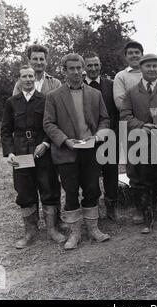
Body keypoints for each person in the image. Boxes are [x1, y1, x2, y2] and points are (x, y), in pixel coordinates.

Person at [43, 53, 111, 250]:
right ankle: (75, 233)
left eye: (78, 68)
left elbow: (104, 120)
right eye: (71, 69)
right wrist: (65, 140)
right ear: (64, 72)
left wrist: (97, 136)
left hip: (90, 151)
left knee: (92, 189)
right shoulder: (54, 96)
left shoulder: (94, 94)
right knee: (71, 192)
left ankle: (93, 228)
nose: (76, 72)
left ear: (83, 69)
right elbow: (48, 123)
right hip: (66, 152)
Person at [1, 65, 65, 249]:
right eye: (24, 77)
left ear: (34, 79)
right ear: (19, 80)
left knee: (49, 187)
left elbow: (52, 124)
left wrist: (45, 143)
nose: (28, 79)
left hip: (42, 152)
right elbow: (6, 131)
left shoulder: (45, 99)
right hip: (21, 152)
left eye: (30, 76)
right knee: (24, 190)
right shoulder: (11, 102)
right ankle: (30, 231)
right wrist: (10, 152)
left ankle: (52, 229)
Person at [120, 54, 157, 234]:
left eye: (155, 66)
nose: (152, 69)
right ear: (141, 69)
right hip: (142, 145)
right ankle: (148, 218)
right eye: (148, 66)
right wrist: (140, 125)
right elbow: (125, 115)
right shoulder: (131, 92)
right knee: (145, 181)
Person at [113, 41, 157, 225]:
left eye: (137, 52)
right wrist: (141, 121)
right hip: (133, 130)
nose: (134, 56)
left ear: (142, 55)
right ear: (126, 56)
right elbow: (121, 103)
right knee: (135, 170)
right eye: (131, 53)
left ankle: (156, 204)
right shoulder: (121, 77)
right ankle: (139, 207)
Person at [12, 44, 64, 228]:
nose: (39, 62)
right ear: (29, 60)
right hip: (27, 142)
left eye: (42, 59)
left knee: (50, 181)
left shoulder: (55, 83)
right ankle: (31, 228)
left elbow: (60, 114)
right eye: (35, 59)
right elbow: (17, 112)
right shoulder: (20, 84)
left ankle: (56, 221)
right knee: (25, 182)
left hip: (49, 141)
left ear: (46, 61)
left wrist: (48, 140)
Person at [83, 52, 120, 222]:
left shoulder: (111, 85)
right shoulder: (78, 86)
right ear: (85, 67)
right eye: (89, 65)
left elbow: (116, 112)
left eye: (95, 64)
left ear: (100, 65)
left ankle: (111, 206)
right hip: (88, 140)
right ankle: (94, 208)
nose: (93, 68)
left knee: (111, 174)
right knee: (90, 176)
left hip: (110, 138)